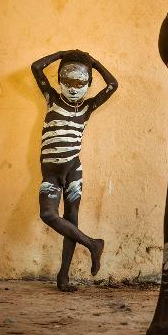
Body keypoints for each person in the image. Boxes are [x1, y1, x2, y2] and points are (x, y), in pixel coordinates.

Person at [31, 50, 118, 292]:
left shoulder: (87, 108)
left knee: (71, 220)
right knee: (48, 214)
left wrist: (94, 62)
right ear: (58, 81)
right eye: (67, 81)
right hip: (51, 174)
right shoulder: (51, 98)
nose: (72, 87)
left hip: (73, 172)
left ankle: (63, 276)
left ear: (88, 84)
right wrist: (60, 55)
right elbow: (36, 67)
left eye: (80, 82)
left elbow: (112, 85)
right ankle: (92, 243)